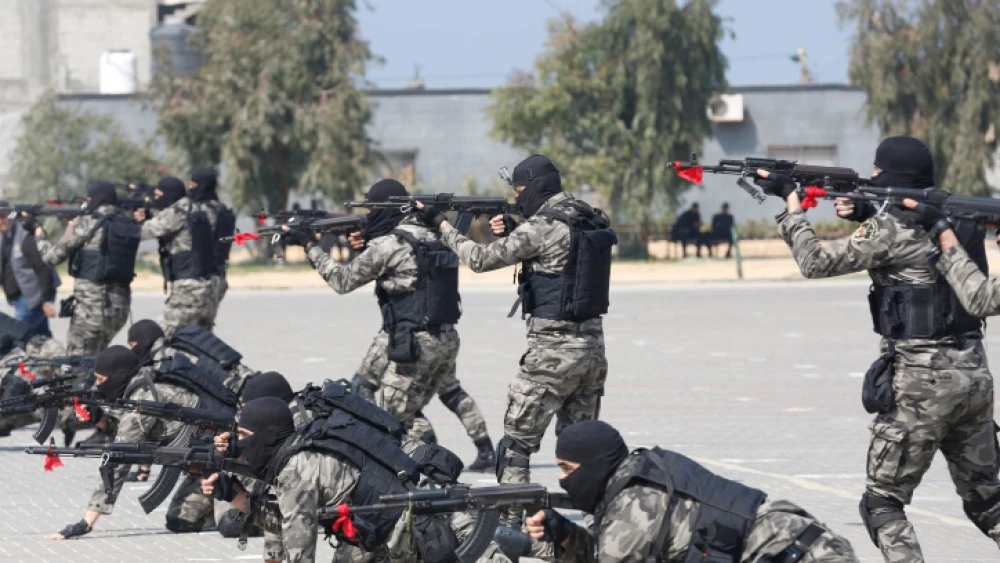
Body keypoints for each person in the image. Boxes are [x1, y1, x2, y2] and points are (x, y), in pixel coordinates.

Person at [759, 135, 1000, 560]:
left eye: (877, 169)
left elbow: (815, 262)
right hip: (973, 376)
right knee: (988, 501)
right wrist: (868, 214)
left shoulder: (889, 230)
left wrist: (791, 203)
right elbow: (921, 255)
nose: (871, 174)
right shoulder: (958, 219)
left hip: (921, 384)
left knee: (882, 504)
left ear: (889, 174)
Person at [416, 154, 612, 510]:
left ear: (535, 187)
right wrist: (513, 227)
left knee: (515, 447)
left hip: (552, 356)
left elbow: (479, 259)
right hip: (592, 351)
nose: (518, 198)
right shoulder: (588, 216)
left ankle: (512, 524)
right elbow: (561, 258)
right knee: (581, 449)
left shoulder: (539, 228)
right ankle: (597, 519)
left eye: (520, 192)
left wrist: (441, 225)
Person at [202, 395, 508, 563]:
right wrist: (234, 495)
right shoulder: (306, 446)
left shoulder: (296, 471)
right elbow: (293, 519)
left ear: (268, 434)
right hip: (418, 518)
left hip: (418, 537)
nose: (240, 443)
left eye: (244, 435)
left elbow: (299, 552)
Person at [284, 178, 461, 448]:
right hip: (445, 340)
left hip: (414, 345)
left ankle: (430, 466)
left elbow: (342, 281)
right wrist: (367, 242)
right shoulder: (433, 234)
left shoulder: (388, 245)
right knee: (405, 413)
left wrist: (310, 246)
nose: (368, 216)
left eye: (370, 210)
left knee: (384, 422)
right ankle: (433, 464)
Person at [523, 420, 858, 562]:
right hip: (805, 544)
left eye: (567, 468)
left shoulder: (633, 507)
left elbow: (620, 549)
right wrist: (566, 536)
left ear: (595, 465)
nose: (563, 479)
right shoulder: (638, 475)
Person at [46, 345, 236, 540]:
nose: (98, 384)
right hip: (206, 462)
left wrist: (86, 523)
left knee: (232, 524)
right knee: (180, 521)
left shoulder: (144, 397)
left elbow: (120, 456)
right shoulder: (139, 384)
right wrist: (100, 420)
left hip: (232, 460)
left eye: (101, 379)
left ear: (118, 375)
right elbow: (131, 436)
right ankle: (221, 505)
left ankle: (247, 506)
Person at [35, 181, 137, 355]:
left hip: (91, 311)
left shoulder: (85, 223)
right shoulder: (129, 223)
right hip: (119, 310)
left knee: (78, 363)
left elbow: (51, 257)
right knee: (98, 361)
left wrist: (38, 234)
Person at [355, 345, 495, 471]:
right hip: (446, 339)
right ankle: (485, 450)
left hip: (413, 339)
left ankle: (427, 459)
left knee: (389, 408)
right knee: (451, 391)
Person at [134, 176, 220, 336]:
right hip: (209, 285)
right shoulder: (195, 209)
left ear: (169, 195)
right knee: (201, 340)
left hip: (189, 287)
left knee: (161, 336)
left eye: (158, 196)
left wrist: (125, 221)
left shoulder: (176, 212)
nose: (156, 199)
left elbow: (142, 232)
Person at [127, 319, 255, 395]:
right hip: (250, 380)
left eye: (132, 345)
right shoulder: (182, 343)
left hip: (239, 394)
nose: (132, 350)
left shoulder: (164, 359)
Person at [0, 206, 59, 338]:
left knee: (16, 336)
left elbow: (43, 268)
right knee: (41, 336)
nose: (0, 221)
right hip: (19, 299)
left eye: (3, 217)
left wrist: (47, 300)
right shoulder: (5, 237)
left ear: (12, 217)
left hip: (31, 300)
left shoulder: (25, 237)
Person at [189, 168, 236, 307]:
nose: (190, 188)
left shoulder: (201, 211)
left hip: (202, 278)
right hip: (220, 276)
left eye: (193, 185)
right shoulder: (223, 209)